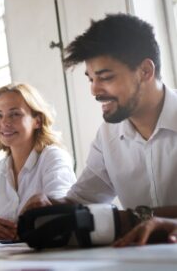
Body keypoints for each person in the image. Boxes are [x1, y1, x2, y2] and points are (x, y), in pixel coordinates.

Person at [22, 13, 177, 244]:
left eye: (105, 77)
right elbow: (82, 200)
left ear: (145, 71)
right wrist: (49, 204)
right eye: (91, 79)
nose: (94, 90)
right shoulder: (108, 136)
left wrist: (135, 219)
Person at [0, 83, 76, 240]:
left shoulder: (53, 158)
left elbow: (61, 216)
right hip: (14, 259)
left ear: (37, 121)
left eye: (15, 114)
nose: (4, 122)